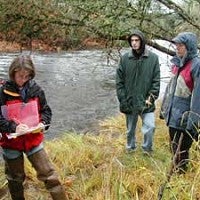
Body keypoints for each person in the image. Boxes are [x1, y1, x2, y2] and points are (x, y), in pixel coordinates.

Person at [0, 55, 68, 200]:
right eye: (20, 76)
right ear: (13, 73)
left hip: (33, 139)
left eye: (27, 76)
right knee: (15, 179)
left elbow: (46, 110)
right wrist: (13, 127)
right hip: (11, 143)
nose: (23, 80)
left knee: (49, 175)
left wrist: (43, 123)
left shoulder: (36, 89)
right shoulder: (3, 92)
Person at [160, 32, 200, 173]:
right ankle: (177, 173)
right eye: (176, 45)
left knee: (182, 152)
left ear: (189, 46)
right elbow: (169, 91)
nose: (177, 48)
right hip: (173, 116)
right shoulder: (177, 64)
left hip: (185, 119)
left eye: (181, 45)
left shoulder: (196, 66)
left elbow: (197, 99)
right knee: (174, 147)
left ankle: (180, 177)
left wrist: (192, 124)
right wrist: (164, 111)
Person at [116, 29, 160, 154]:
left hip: (146, 101)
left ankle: (147, 149)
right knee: (130, 129)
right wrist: (123, 99)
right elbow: (119, 82)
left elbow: (156, 82)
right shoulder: (125, 59)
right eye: (132, 41)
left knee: (150, 127)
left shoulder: (153, 58)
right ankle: (130, 148)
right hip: (129, 101)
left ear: (142, 41)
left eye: (137, 40)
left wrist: (150, 98)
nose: (134, 43)